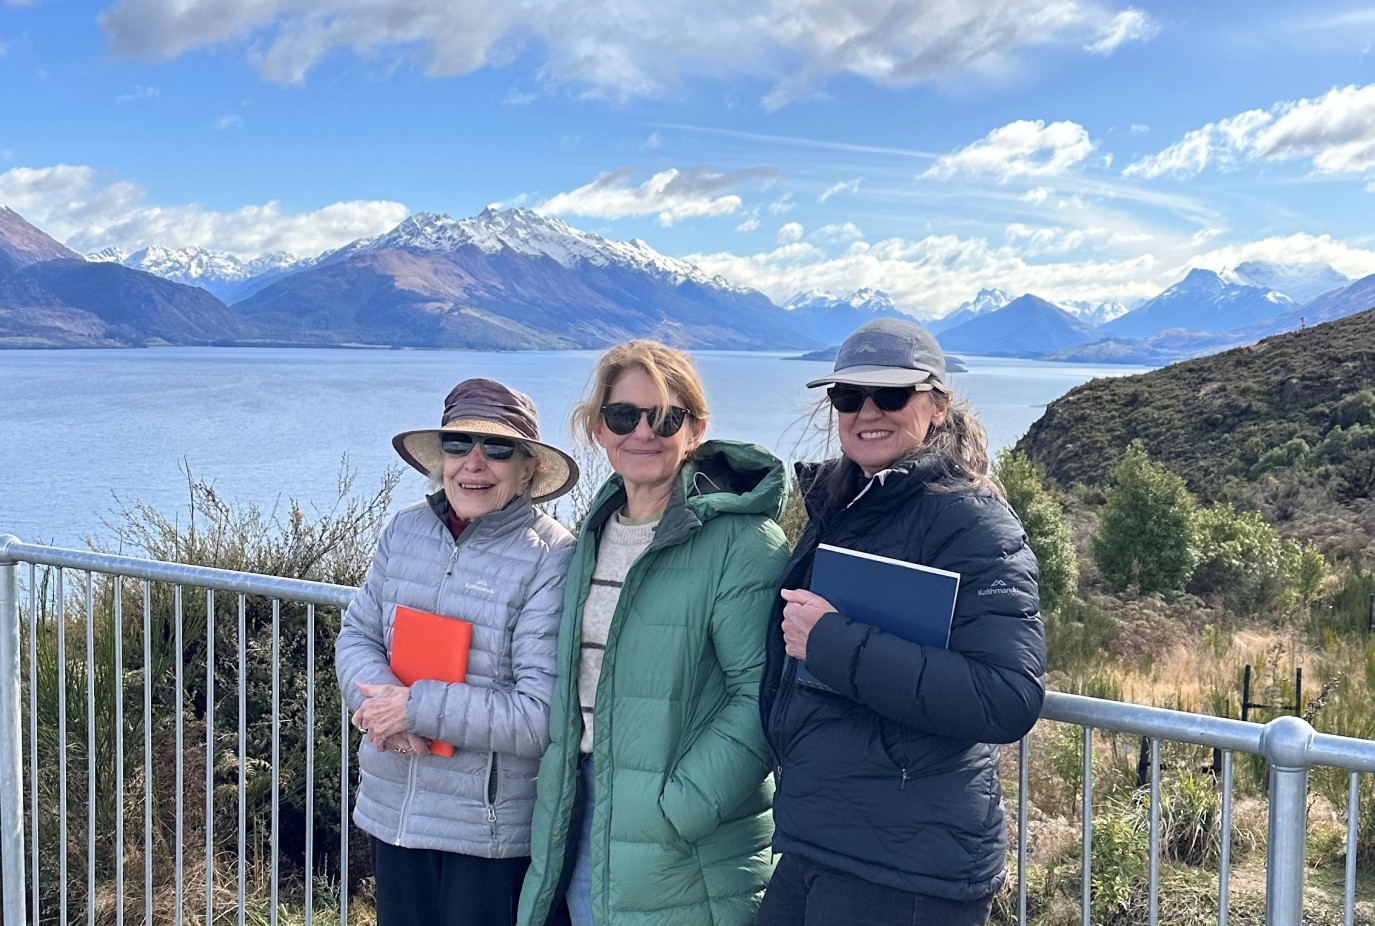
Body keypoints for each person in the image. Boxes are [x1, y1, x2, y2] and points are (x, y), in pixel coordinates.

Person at [757, 319, 1046, 926]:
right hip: (824, 836)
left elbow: (1007, 697)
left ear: (937, 407)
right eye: (848, 396)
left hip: (907, 865)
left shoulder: (974, 523)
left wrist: (833, 643)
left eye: (891, 396)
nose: (868, 412)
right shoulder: (846, 505)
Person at [517, 340, 791, 926]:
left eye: (665, 417)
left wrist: (679, 809)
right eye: (624, 416)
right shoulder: (594, 533)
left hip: (679, 834)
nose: (643, 432)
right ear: (598, 428)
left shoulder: (741, 544)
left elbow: (762, 694)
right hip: (581, 809)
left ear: (696, 429)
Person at [337, 377, 580, 926]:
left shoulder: (552, 558)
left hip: (486, 833)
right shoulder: (403, 531)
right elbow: (357, 637)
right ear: (438, 459)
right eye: (457, 445)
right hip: (394, 809)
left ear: (528, 469)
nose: (473, 463)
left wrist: (413, 709)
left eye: (497, 449)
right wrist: (383, 709)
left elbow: (540, 714)